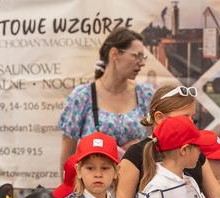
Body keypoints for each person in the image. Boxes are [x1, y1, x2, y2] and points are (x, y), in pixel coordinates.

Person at [58, 27, 154, 171]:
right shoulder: (83, 96)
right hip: (94, 190)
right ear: (114, 54)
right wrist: (68, 190)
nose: (142, 62)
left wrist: (140, 148)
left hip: (136, 187)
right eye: (137, 56)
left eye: (143, 57)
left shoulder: (145, 94)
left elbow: (158, 144)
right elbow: (68, 154)